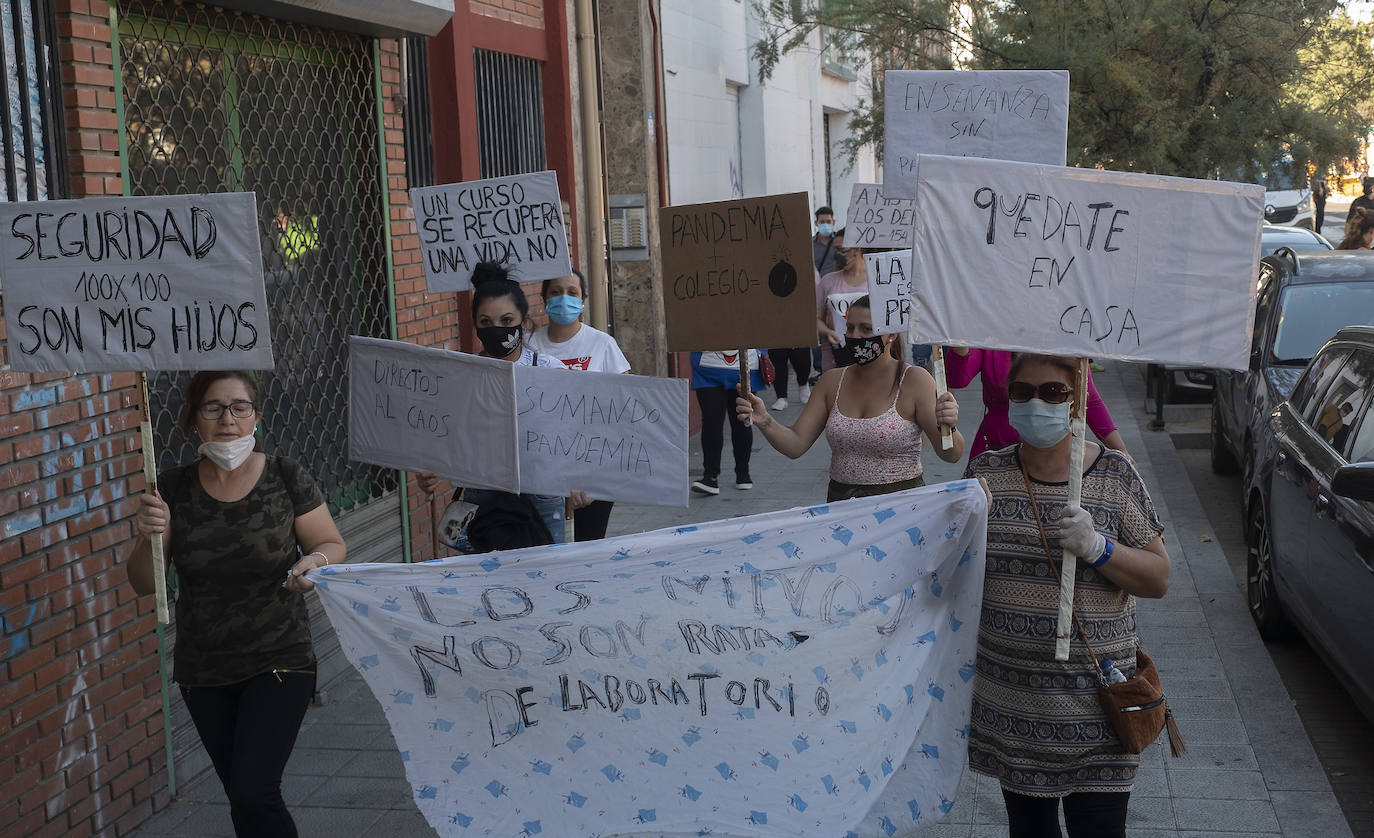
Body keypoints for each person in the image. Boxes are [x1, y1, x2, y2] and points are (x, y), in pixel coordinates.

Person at [126, 371, 346, 838]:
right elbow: (145, 584)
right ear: (194, 420)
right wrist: (149, 534)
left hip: (280, 657)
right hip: (203, 669)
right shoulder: (170, 489)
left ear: (256, 417)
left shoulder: (286, 476)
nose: (227, 418)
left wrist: (316, 561)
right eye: (213, 408)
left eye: (239, 407)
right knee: (243, 800)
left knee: (253, 791)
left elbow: (330, 540)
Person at [963, 352, 1170, 838]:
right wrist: (962, 527)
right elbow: (948, 574)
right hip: (1016, 707)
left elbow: (1159, 578)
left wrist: (1100, 548)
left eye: (1053, 392)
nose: (1037, 402)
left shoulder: (1116, 475)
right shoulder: (985, 474)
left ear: (1077, 400)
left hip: (1097, 709)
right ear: (1007, 396)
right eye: (1024, 392)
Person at [417, 262, 588, 542]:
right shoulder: (458, 377)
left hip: (542, 499)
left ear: (523, 319)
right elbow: (443, 436)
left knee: (544, 582)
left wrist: (583, 477)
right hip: (480, 503)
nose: (497, 329)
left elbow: (576, 434)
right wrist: (431, 467)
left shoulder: (550, 371)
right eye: (486, 322)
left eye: (506, 321)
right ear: (476, 325)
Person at [738, 296, 963, 502]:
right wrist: (764, 420)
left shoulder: (915, 380)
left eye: (866, 329)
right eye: (850, 328)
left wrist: (949, 425)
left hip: (900, 512)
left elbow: (951, 454)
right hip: (843, 511)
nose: (855, 336)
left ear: (891, 334)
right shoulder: (831, 382)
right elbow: (796, 444)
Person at [526, 268, 630, 540]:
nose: (564, 299)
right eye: (556, 292)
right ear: (544, 298)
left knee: (589, 549)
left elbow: (625, 407)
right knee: (545, 551)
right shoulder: (529, 347)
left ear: (582, 299)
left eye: (572, 293)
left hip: (594, 469)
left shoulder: (602, 344)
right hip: (542, 469)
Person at [945, 347, 1129, 459]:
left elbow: (1089, 398)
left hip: (1054, 446)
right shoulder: (991, 335)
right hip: (996, 443)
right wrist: (961, 344)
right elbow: (957, 379)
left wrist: (1121, 451)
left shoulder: (1065, 335)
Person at [691, 349, 770, 495]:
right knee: (712, 422)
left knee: (742, 420)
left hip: (741, 363)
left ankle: (742, 473)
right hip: (709, 368)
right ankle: (711, 476)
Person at [816, 232, 871, 373]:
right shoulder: (827, 281)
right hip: (836, 356)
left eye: (842, 250)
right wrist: (828, 331)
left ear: (857, 249)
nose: (837, 255)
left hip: (872, 354)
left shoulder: (876, 277)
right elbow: (816, 320)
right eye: (835, 250)